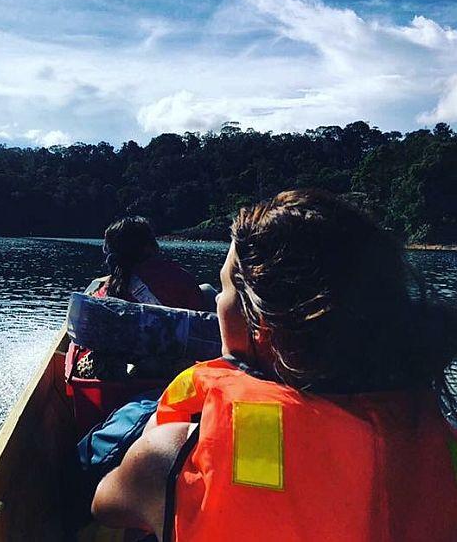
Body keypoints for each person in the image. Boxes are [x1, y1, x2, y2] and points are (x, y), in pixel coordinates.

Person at [91, 189, 457, 541]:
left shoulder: (169, 455)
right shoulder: (444, 446)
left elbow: (105, 505)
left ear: (258, 323)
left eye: (224, 291)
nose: (217, 302)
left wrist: (156, 428)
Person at [75, 216, 205, 380]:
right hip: (173, 373)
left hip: (124, 378)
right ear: (151, 246)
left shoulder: (108, 290)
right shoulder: (181, 278)